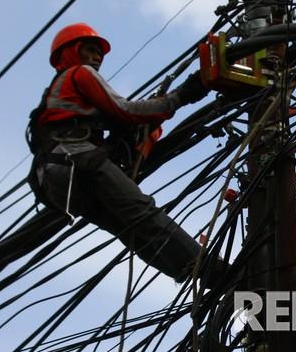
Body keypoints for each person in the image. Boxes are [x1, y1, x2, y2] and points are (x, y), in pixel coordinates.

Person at [27, 22, 212, 282]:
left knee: (130, 230)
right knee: (143, 212)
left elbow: (120, 124)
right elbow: (124, 111)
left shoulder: (55, 94)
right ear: (70, 52)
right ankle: (214, 271)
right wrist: (181, 96)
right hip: (77, 159)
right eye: (90, 50)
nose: (96, 58)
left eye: (99, 54)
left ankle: (189, 271)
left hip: (56, 185)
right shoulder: (80, 73)